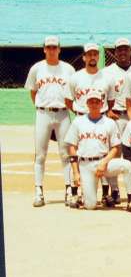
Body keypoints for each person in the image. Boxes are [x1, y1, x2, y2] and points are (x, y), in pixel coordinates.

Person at [65, 89, 131, 212]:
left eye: (97, 101)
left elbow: (116, 147)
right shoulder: (78, 122)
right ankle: (81, 196)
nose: (94, 104)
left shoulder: (109, 123)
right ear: (87, 103)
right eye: (91, 101)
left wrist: (104, 162)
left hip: (104, 163)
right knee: (90, 205)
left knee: (127, 165)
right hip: (86, 164)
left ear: (101, 103)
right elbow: (71, 147)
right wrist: (76, 172)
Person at [24, 36, 75, 207]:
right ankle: (39, 191)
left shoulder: (68, 69)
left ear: (59, 49)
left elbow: (74, 92)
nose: (52, 50)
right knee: (40, 154)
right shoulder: (37, 68)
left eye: (55, 47)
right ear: (44, 49)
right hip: (43, 113)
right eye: (48, 47)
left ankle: (69, 190)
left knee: (65, 154)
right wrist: (42, 107)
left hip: (62, 114)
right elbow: (33, 92)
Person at [102, 38, 131, 133]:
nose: (123, 52)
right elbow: (101, 93)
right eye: (120, 50)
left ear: (130, 52)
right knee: (117, 146)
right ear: (115, 52)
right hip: (116, 116)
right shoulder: (106, 72)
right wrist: (107, 111)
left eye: (126, 49)